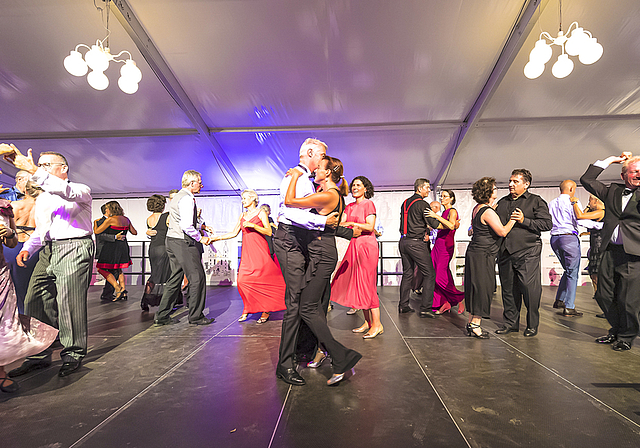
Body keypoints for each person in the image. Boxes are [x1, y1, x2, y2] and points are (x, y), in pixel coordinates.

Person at [2, 144, 95, 378]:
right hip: (48, 249)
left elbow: (67, 193)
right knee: (34, 297)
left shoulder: (80, 189)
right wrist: (28, 249)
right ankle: (39, 354)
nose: (40, 170)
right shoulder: (43, 199)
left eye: (46, 165)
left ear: (63, 168)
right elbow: (42, 229)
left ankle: (73, 353)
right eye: (40, 165)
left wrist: (32, 168)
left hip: (74, 247)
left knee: (68, 300)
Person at [284, 154, 362, 386]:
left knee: (307, 308)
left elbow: (289, 201)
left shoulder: (328, 195)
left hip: (322, 256)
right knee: (311, 307)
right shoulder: (332, 194)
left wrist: (296, 174)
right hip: (321, 254)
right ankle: (334, 355)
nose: (314, 171)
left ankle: (341, 356)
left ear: (327, 173)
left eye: (318, 168)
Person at [273, 138, 340, 386]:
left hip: (296, 241)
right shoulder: (295, 178)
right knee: (294, 303)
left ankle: (302, 350)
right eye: (323, 154)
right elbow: (288, 211)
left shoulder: (303, 179)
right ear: (310, 153)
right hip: (289, 240)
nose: (325, 158)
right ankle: (285, 365)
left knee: (302, 301)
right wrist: (324, 222)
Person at [581, 152, 640, 351]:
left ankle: (626, 335)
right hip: (609, 250)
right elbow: (587, 179)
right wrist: (611, 160)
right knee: (603, 295)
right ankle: (616, 328)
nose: (639, 174)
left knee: (628, 300)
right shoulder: (613, 191)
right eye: (635, 171)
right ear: (623, 175)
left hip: (634, 253)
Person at [0, 193, 58, 393]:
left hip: (1, 270)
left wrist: (8, 234)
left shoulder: (6, 207)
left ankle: (1, 373)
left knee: (4, 321)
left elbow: (12, 242)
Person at [495, 169, 552, 337]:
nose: (511, 184)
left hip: (528, 250)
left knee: (529, 287)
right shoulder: (502, 202)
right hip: (505, 251)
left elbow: (547, 224)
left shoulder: (535, 201)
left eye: (516, 182)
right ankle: (510, 323)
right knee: (508, 289)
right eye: (510, 181)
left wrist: (524, 221)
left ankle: (532, 324)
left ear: (526, 184)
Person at [213, 190, 286, 324]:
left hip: (260, 250)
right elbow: (234, 233)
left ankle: (266, 310)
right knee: (242, 281)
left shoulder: (261, 213)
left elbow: (269, 231)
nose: (243, 201)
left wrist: (253, 225)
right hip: (247, 253)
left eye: (245, 198)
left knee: (263, 280)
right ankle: (248, 307)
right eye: (242, 198)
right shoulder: (243, 215)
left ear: (253, 199)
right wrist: (216, 238)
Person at [154, 170, 214, 326]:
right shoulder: (187, 199)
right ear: (192, 183)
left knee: (175, 278)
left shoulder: (177, 197)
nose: (202, 185)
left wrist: (202, 226)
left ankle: (162, 315)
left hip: (172, 240)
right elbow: (186, 225)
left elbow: (180, 219)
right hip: (182, 242)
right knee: (197, 277)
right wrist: (201, 238)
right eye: (200, 182)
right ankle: (196, 316)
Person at [331, 175, 383, 338]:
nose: (354, 187)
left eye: (358, 185)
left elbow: (370, 227)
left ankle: (377, 324)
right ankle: (368, 322)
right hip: (353, 245)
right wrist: (350, 225)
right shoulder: (349, 207)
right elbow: (340, 224)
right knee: (357, 283)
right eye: (353, 185)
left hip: (367, 246)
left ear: (365, 188)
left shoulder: (368, 204)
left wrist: (354, 224)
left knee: (367, 284)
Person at [464, 178, 516, 338]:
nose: (496, 189)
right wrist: (513, 220)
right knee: (483, 288)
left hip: (476, 252)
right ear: (488, 192)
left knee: (476, 287)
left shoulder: (479, 208)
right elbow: (502, 231)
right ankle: (475, 324)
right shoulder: (487, 211)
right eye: (494, 188)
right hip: (483, 254)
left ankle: (473, 321)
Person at [398, 178, 443, 318]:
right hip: (416, 243)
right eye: (427, 187)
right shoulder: (422, 204)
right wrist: (448, 223)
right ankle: (425, 308)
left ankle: (403, 305)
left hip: (403, 241)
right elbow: (434, 224)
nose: (429, 190)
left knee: (408, 274)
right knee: (429, 273)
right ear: (419, 189)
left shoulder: (405, 203)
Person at [6, 181, 43, 312]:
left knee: (13, 286)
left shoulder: (12, 206)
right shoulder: (44, 208)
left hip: (12, 247)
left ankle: (19, 317)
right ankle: (33, 317)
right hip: (35, 249)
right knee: (33, 285)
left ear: (25, 191)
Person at [548, 180, 584, 316]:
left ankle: (559, 300)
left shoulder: (551, 203)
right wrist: (600, 225)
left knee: (568, 270)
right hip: (568, 237)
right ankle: (569, 306)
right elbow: (579, 219)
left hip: (555, 239)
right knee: (573, 272)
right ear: (571, 189)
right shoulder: (572, 201)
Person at [428, 189, 464, 314]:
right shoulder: (444, 212)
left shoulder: (452, 211)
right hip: (438, 244)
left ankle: (458, 298)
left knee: (439, 276)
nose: (442, 198)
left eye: (445, 196)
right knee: (435, 274)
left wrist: (436, 216)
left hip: (445, 245)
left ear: (451, 199)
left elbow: (451, 225)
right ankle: (444, 303)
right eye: (441, 196)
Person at [94, 201, 137, 301]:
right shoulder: (126, 219)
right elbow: (134, 232)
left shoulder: (110, 220)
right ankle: (123, 291)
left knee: (101, 269)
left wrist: (95, 224)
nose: (107, 210)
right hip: (123, 247)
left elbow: (97, 231)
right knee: (118, 269)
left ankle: (117, 287)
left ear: (111, 209)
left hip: (111, 248)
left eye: (108, 208)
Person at [573, 195, 606, 316]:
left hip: (600, 248)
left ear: (596, 201)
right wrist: (588, 206)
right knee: (593, 275)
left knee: (598, 277)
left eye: (590, 200)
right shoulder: (597, 212)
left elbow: (580, 216)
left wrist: (575, 203)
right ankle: (602, 302)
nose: (588, 203)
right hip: (595, 247)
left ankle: (606, 306)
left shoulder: (601, 212)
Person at [141, 194, 172, 311]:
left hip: (153, 249)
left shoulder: (149, 219)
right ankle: (168, 302)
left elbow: (153, 233)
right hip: (164, 249)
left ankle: (145, 300)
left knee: (155, 274)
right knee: (168, 275)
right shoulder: (167, 217)